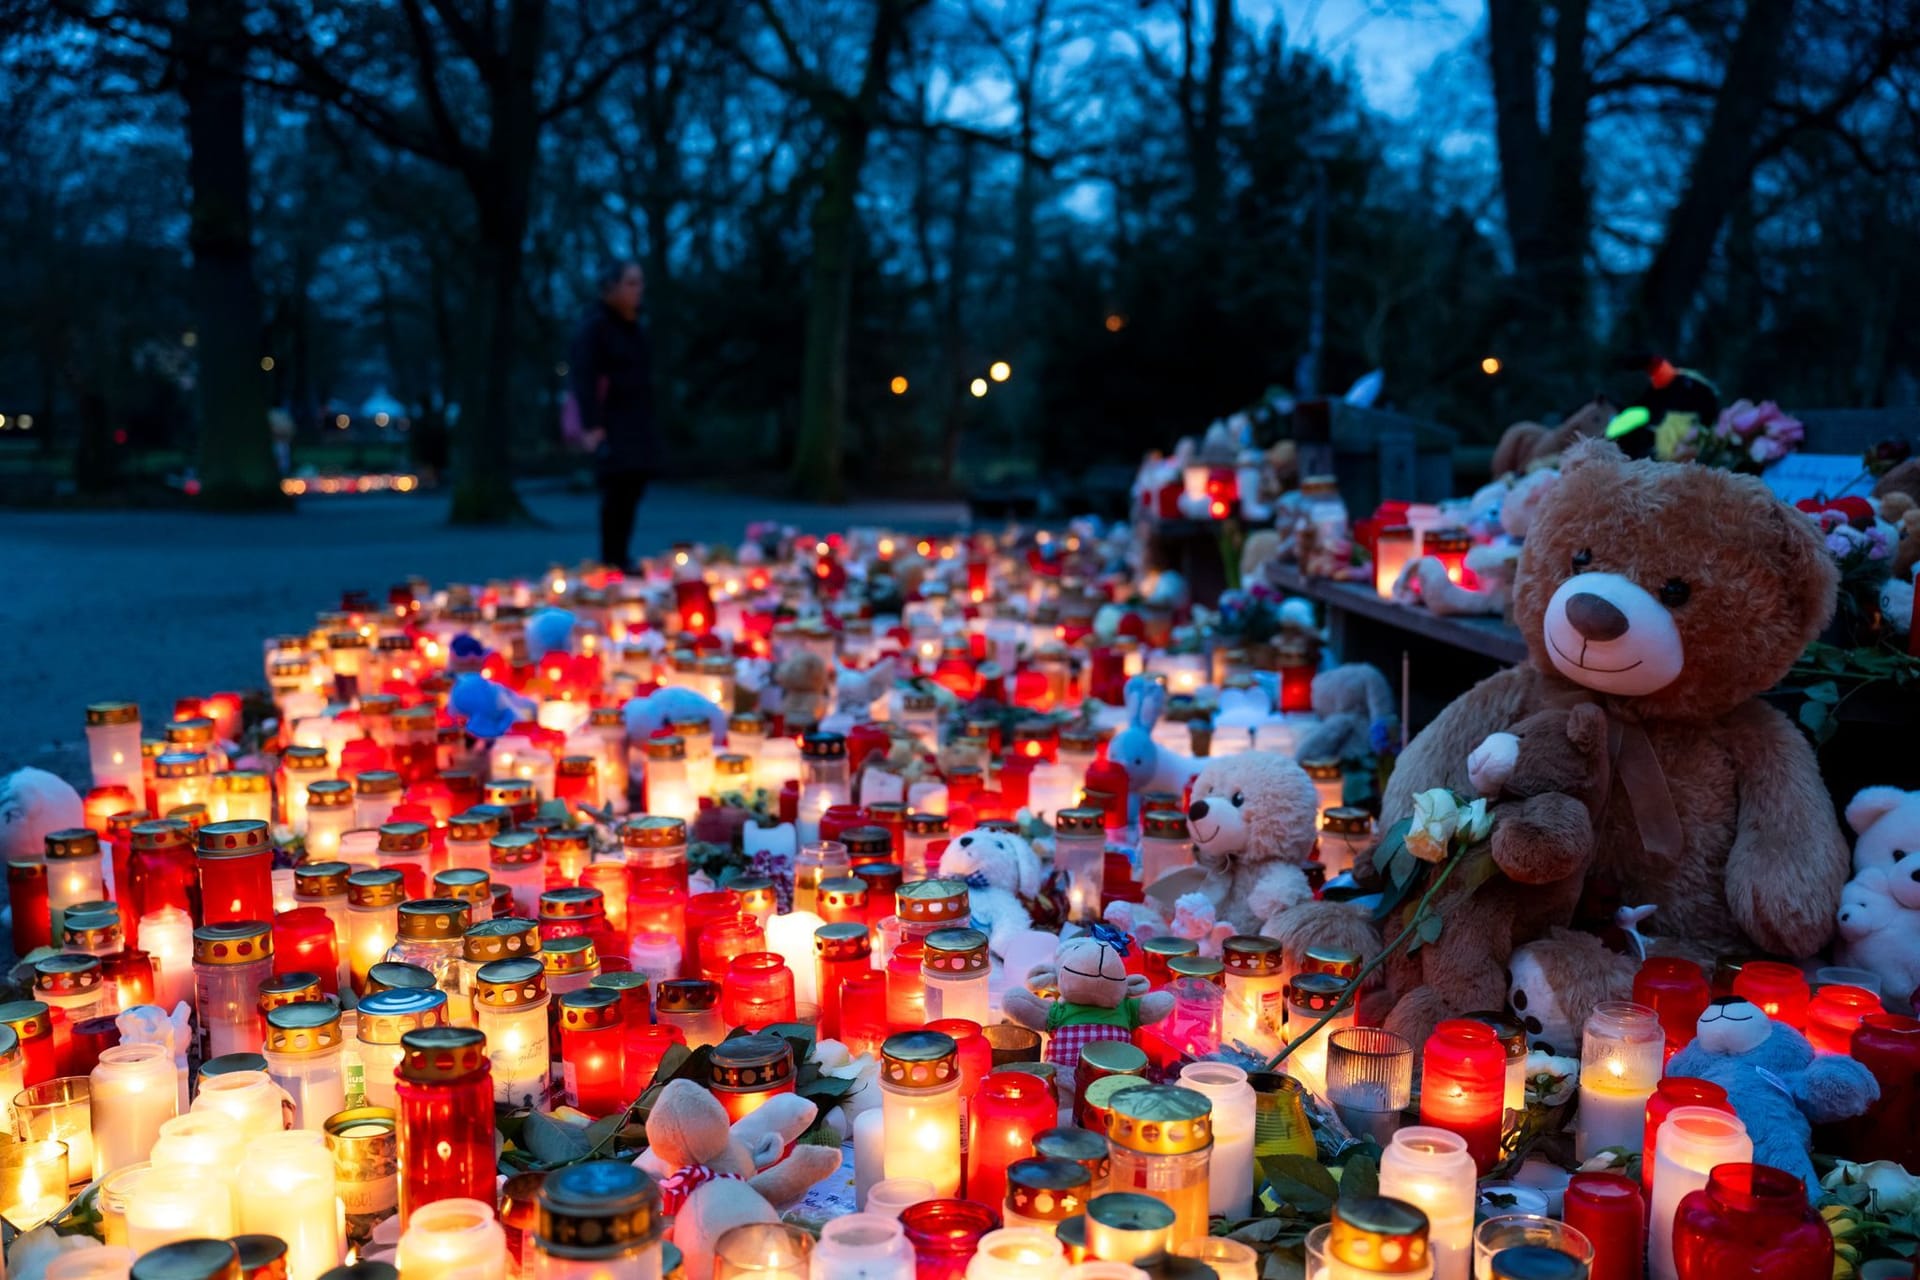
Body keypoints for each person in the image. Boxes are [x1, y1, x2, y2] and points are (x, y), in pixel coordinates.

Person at [568, 261, 656, 569]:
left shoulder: (633, 326)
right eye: (631, 283)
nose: (638, 289)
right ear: (612, 288)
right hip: (611, 424)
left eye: (640, 282)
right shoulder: (596, 327)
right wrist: (592, 424)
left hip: (636, 421)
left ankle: (620, 556)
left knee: (633, 488)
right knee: (617, 490)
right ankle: (612, 558)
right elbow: (584, 376)